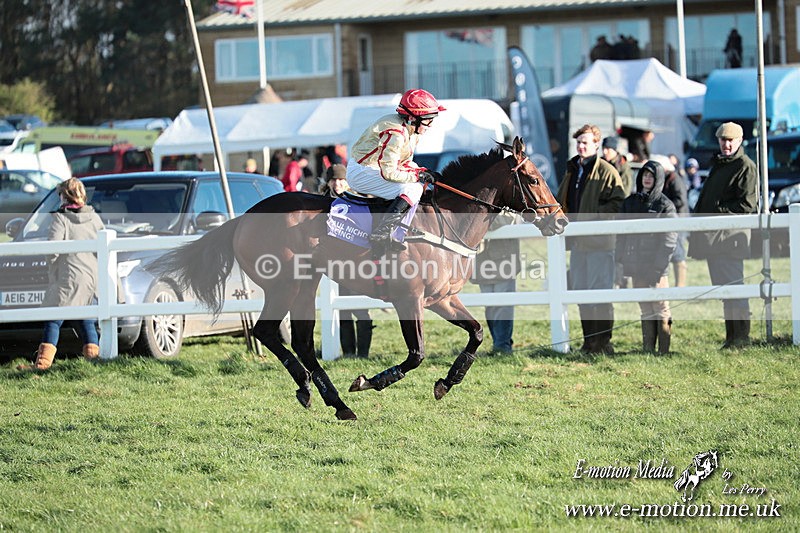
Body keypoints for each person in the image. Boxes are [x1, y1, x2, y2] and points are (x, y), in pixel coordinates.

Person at [18, 178, 105, 371]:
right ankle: (93, 360)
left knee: (53, 318)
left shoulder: (61, 218)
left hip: (68, 276)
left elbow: (53, 249)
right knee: (86, 318)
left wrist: (54, 268)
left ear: (65, 196)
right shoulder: (94, 218)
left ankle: (42, 365)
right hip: (89, 278)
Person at [347, 88, 444, 257]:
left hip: (373, 169)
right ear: (413, 118)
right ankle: (382, 233)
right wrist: (417, 176)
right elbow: (390, 173)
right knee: (413, 189)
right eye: (428, 120)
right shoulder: (396, 133)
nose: (430, 125)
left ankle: (398, 232)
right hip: (361, 172)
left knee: (419, 187)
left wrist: (422, 171)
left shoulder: (411, 130)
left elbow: (404, 163)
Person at [556, 124, 626, 354]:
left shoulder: (607, 171)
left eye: (585, 142)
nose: (581, 146)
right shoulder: (572, 171)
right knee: (580, 292)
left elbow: (617, 204)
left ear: (597, 144)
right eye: (578, 142)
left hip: (599, 243)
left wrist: (591, 219)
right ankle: (588, 342)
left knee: (600, 293)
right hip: (577, 243)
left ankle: (603, 342)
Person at [689, 122, 758, 348]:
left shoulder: (745, 166)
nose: (726, 144)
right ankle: (731, 338)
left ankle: (741, 338)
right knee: (725, 291)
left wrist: (715, 212)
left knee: (735, 290)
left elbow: (747, 204)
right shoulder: (720, 164)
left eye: (730, 140)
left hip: (730, 239)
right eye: (723, 140)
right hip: (715, 239)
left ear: (739, 141)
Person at [616, 161, 678, 353]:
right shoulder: (630, 202)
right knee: (644, 307)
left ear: (658, 179)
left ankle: (664, 351)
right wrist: (621, 261)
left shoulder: (665, 206)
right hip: (636, 266)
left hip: (657, 267)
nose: (647, 178)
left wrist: (658, 268)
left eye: (651, 175)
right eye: (644, 175)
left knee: (661, 306)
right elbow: (621, 235)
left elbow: (669, 240)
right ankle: (648, 349)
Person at [322, 164, 374, 357]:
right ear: (328, 182)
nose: (337, 183)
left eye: (341, 179)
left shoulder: (358, 201)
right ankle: (349, 353)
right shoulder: (322, 203)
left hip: (356, 263)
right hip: (332, 264)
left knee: (360, 310)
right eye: (333, 180)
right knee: (342, 311)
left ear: (347, 181)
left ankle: (363, 354)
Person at [471, 212, 521, 354]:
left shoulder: (510, 203)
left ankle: (502, 345)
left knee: (503, 306)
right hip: (483, 261)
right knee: (490, 306)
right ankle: (499, 343)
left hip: (504, 261)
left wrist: (480, 219)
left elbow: (506, 219)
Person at [651, 154, 690, 287]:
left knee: (678, 254)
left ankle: (680, 286)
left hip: (676, 221)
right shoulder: (666, 180)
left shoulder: (675, 179)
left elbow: (680, 200)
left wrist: (663, 207)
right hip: (670, 221)